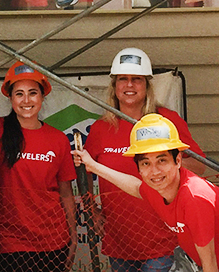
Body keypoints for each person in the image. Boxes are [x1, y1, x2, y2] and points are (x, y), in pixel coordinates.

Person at [73, 114, 219, 272]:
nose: (154, 171)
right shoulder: (159, 187)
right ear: (138, 168)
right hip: (200, 261)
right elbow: (135, 187)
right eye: (146, 163)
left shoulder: (194, 197)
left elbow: (210, 264)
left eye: (162, 160)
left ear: (178, 160)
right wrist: (93, 166)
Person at [85, 48, 204, 272]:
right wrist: (92, 210)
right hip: (120, 243)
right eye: (123, 79)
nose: (129, 85)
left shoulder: (167, 120)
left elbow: (200, 167)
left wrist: (165, 162)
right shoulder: (101, 129)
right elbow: (85, 172)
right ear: (114, 85)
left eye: (136, 80)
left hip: (164, 242)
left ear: (147, 85)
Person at [0, 61, 77, 272]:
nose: (26, 100)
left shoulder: (58, 139)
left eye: (32, 93)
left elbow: (65, 192)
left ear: (42, 96)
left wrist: (73, 236)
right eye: (19, 94)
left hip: (55, 241)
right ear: (10, 98)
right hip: (10, 242)